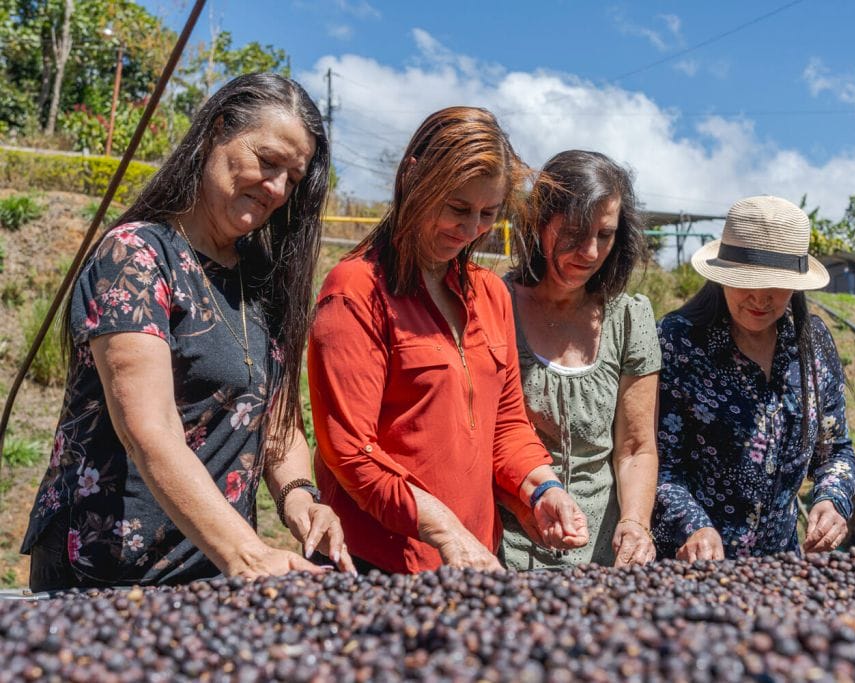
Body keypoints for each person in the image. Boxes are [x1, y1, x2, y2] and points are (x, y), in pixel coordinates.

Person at [21, 73, 354, 591]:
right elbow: (147, 429)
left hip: (209, 569)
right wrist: (246, 551)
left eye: (292, 177)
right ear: (217, 131)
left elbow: (277, 418)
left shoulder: (263, 280)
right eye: (267, 161)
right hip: (107, 572)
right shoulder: (136, 257)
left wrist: (300, 497)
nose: (276, 189)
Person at [308, 106, 590, 574]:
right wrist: (442, 527)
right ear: (415, 179)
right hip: (374, 563)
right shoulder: (355, 290)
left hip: (473, 557)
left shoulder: (491, 295)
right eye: (458, 208)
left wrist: (541, 489)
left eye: (487, 213)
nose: (471, 229)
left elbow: (505, 426)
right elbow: (349, 450)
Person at [653, 195, 855, 561]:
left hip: (778, 565)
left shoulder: (811, 344)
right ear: (722, 277)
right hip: (690, 567)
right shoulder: (677, 341)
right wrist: (693, 525)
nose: (760, 298)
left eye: (776, 286)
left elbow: (834, 450)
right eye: (747, 282)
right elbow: (655, 460)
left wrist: (831, 498)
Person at [499, 150, 660, 569]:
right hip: (505, 552)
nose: (589, 251)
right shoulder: (493, 304)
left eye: (604, 235)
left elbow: (635, 448)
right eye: (573, 232)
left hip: (599, 556)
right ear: (539, 222)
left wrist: (635, 523)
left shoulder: (629, 318)